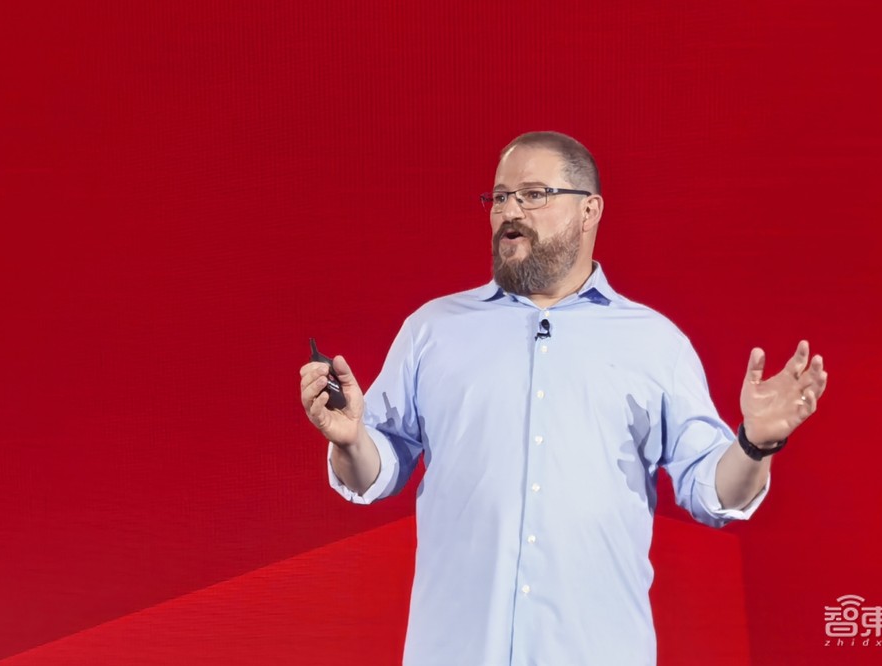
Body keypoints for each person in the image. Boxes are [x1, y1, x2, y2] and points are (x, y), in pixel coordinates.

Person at [299, 131, 828, 665]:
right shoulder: (432, 330)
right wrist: (350, 441)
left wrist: (757, 442)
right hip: (455, 649)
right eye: (500, 197)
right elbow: (376, 471)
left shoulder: (653, 343)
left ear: (589, 210)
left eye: (534, 194)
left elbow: (713, 491)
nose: (511, 211)